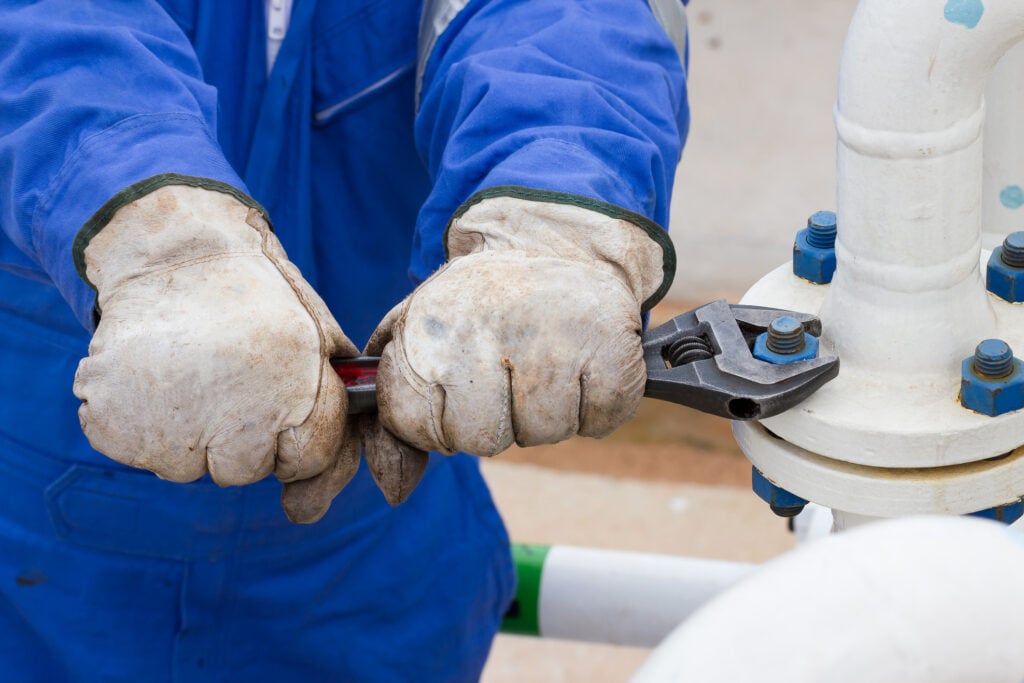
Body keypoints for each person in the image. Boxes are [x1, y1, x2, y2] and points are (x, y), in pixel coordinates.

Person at [0, 1, 689, 680]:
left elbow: (570, 18)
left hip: (373, 563)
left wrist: (556, 198)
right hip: (34, 570)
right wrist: (154, 231)